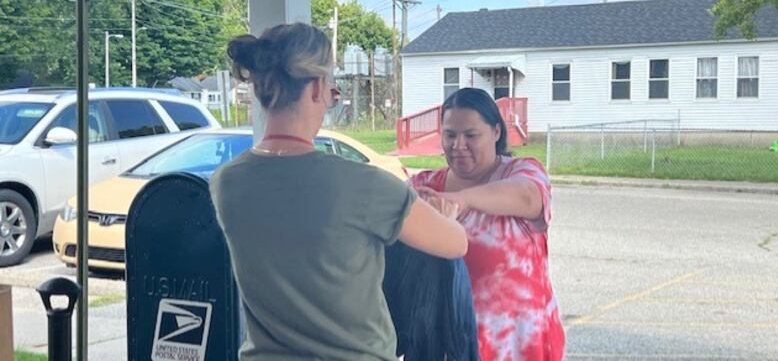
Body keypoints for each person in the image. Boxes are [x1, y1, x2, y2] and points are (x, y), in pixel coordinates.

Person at [209, 23, 468, 361]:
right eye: (333, 88)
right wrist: (444, 215)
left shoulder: (226, 182)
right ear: (317, 87)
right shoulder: (365, 184)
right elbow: (455, 243)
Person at [412, 88, 565, 361]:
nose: (458, 145)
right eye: (450, 135)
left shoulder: (522, 171)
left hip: (520, 345)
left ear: (496, 132)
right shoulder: (424, 187)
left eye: (471, 135)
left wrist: (462, 200)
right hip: (451, 345)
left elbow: (528, 196)